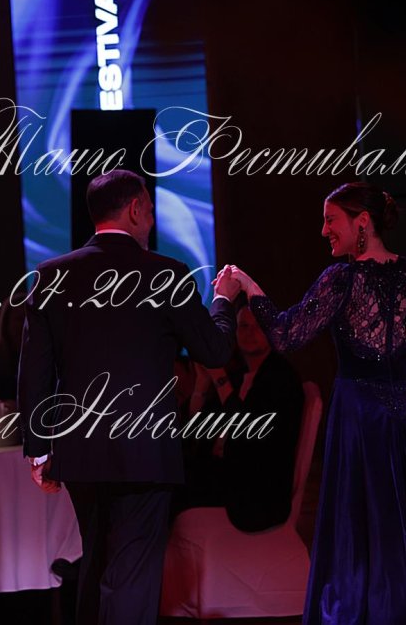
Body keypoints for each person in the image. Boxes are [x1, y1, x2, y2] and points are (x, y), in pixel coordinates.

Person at [228, 181, 406, 623]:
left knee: (367, 532)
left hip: (365, 421)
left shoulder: (342, 278)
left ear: (362, 222)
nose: (324, 230)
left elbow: (286, 335)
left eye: (330, 220)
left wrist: (247, 284)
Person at [17, 169, 240, 625]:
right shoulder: (166, 274)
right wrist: (223, 300)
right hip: (144, 451)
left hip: (80, 453)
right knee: (131, 574)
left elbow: (34, 369)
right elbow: (215, 351)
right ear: (136, 209)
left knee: (98, 562)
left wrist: (38, 449)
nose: (152, 220)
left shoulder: (51, 275)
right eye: (151, 210)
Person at [175, 306, 304, 532]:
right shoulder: (238, 376)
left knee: (172, 489)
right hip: (227, 476)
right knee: (169, 476)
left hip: (256, 490)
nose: (249, 333)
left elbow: (250, 436)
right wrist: (201, 387)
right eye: (243, 326)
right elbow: (195, 434)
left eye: (258, 327)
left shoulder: (280, 378)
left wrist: (220, 381)